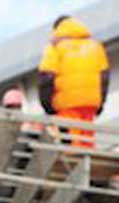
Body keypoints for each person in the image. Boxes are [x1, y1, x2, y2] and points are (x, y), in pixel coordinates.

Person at [38, 14, 109, 149]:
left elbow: (46, 76)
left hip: (67, 104)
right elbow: (104, 77)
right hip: (90, 103)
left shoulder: (55, 46)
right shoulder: (95, 46)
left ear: (57, 29)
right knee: (87, 141)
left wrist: (47, 105)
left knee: (72, 143)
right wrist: (101, 102)